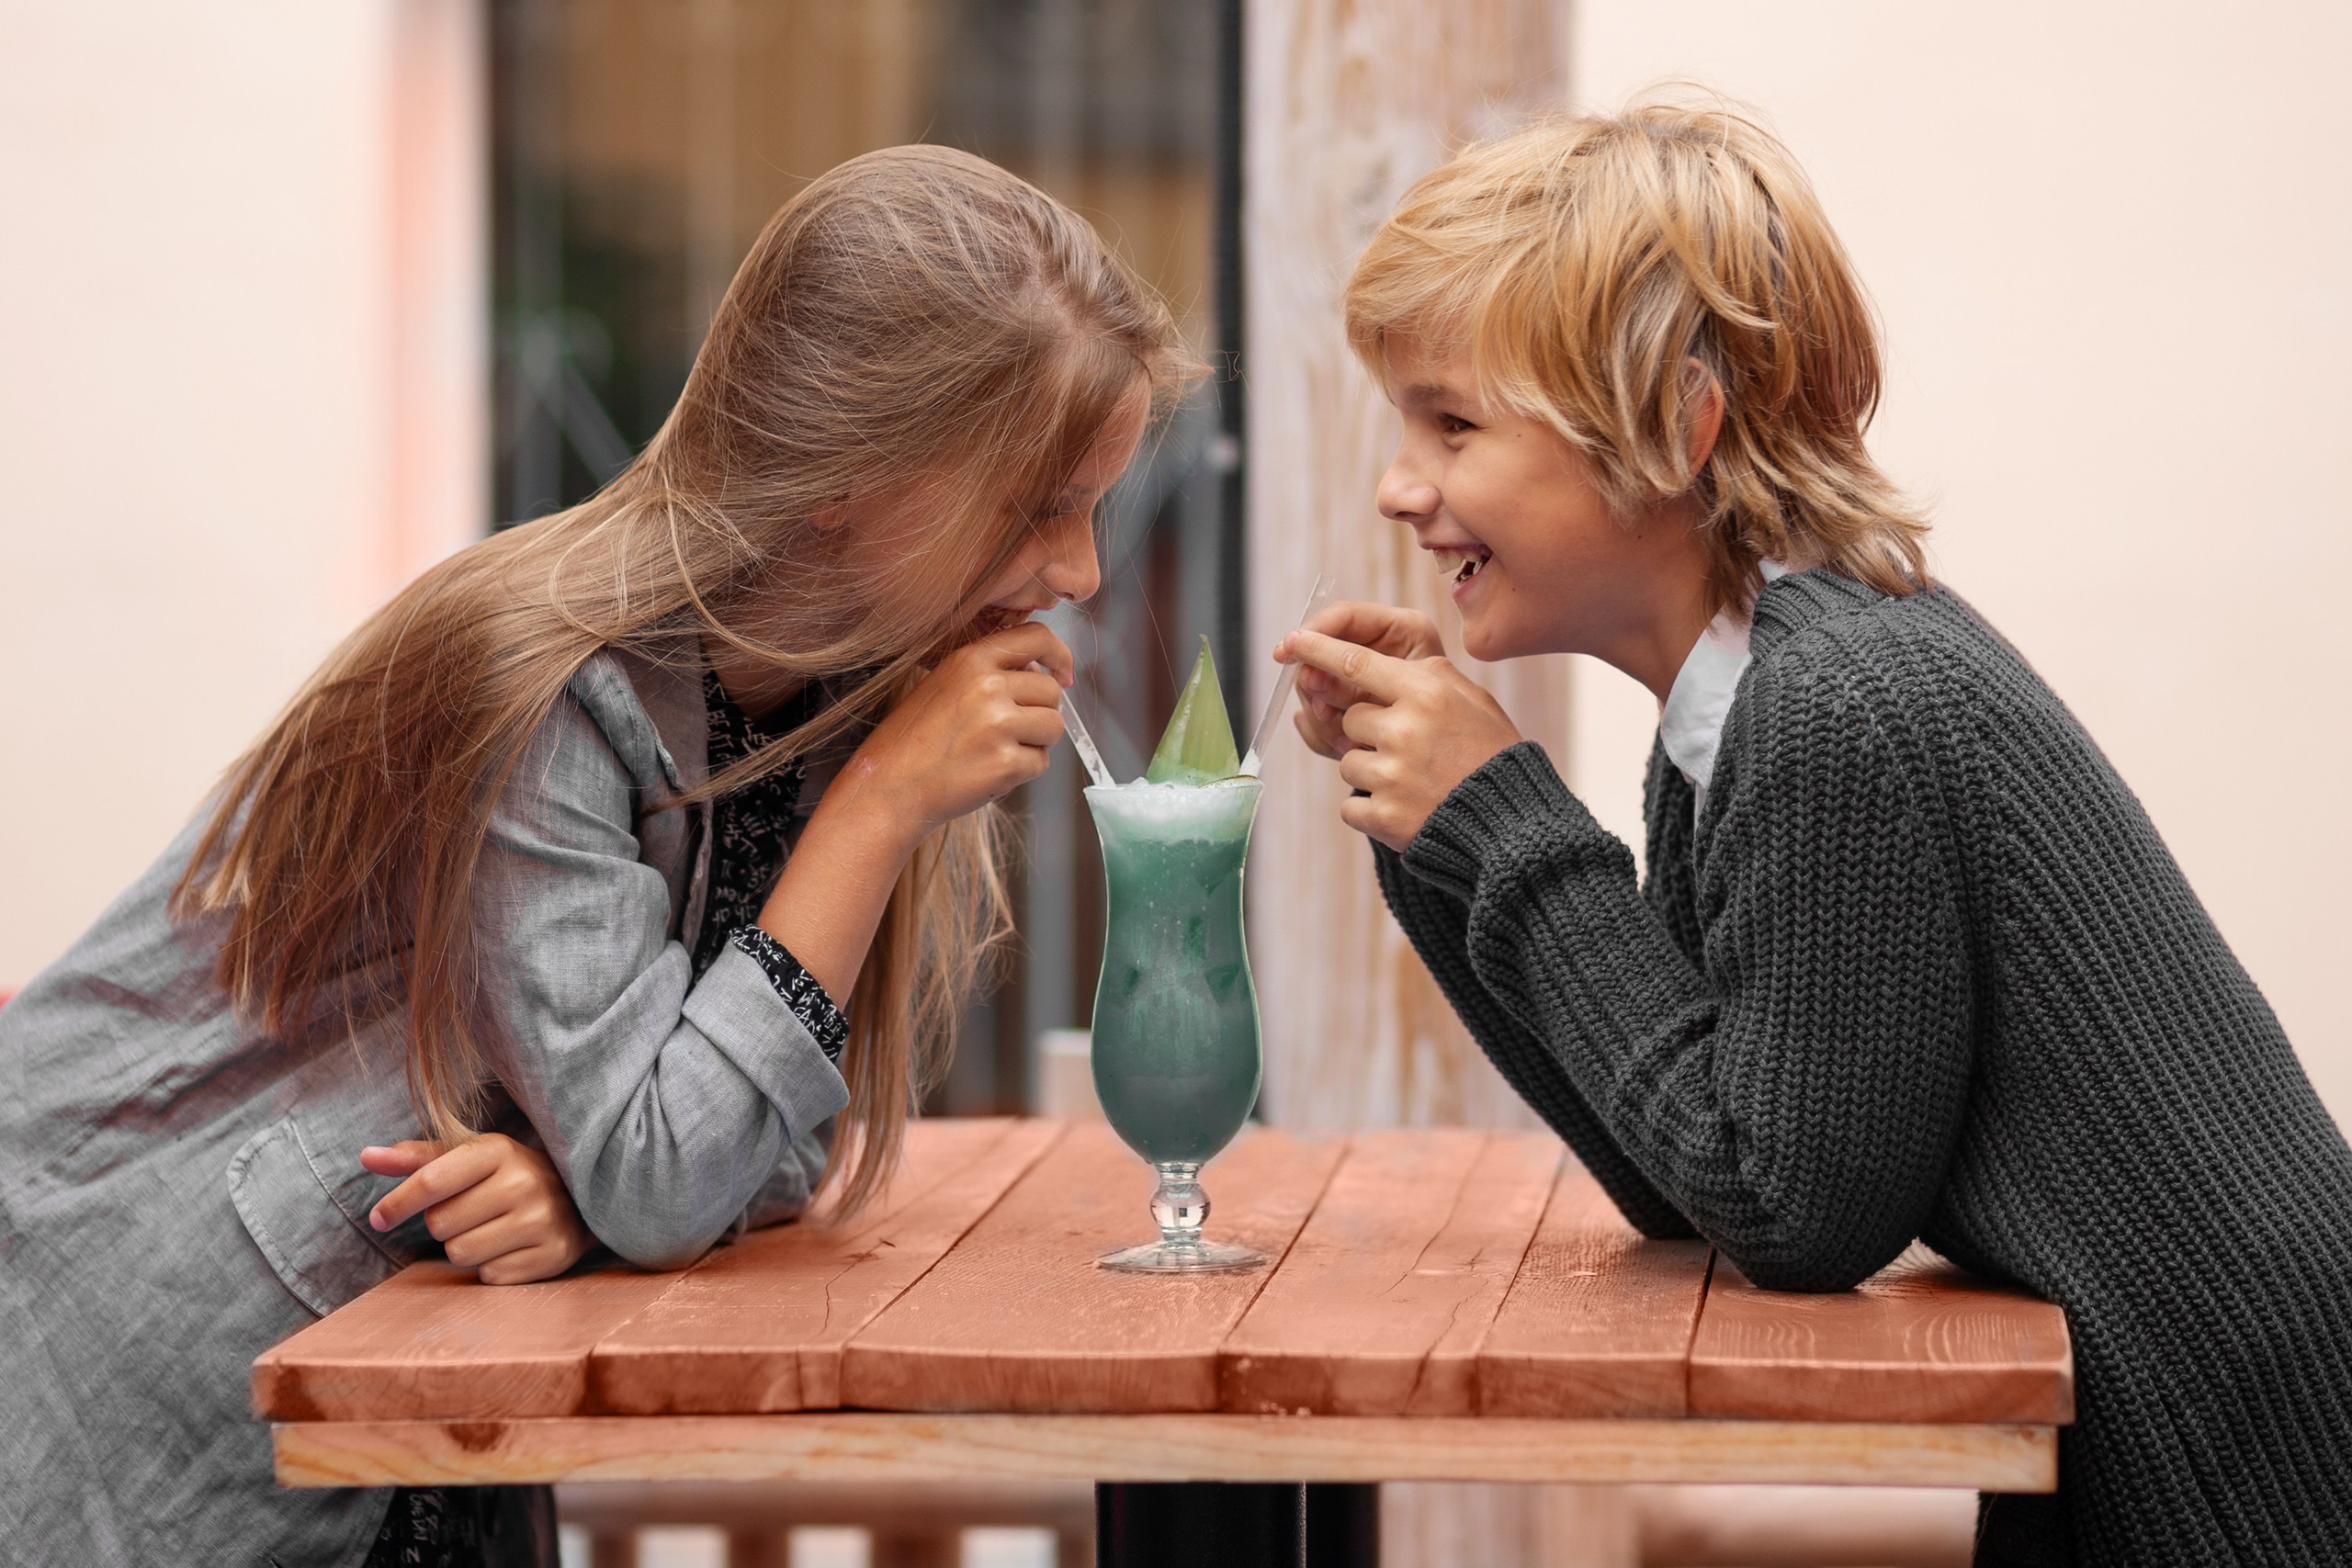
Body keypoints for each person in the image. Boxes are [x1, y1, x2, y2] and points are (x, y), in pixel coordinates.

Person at [0, 145, 1195, 1565]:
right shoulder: (543, 685)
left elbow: (767, 1148)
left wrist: (581, 1196)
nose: (1083, 575)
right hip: (141, 1368)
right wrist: (876, 811)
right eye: (1038, 504)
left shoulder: (833, 686)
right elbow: (671, 1171)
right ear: (848, 479)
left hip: (417, 1399)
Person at [1277, 104, 2352, 1566]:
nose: (1401, 486)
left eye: (1453, 423)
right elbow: (1683, 1165)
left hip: (2240, 1475)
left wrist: (1509, 812)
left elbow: (1789, 1213)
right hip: (2172, 1424)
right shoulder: (1747, 698)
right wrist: (1451, 831)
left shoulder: (1831, 707)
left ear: (1674, 423)